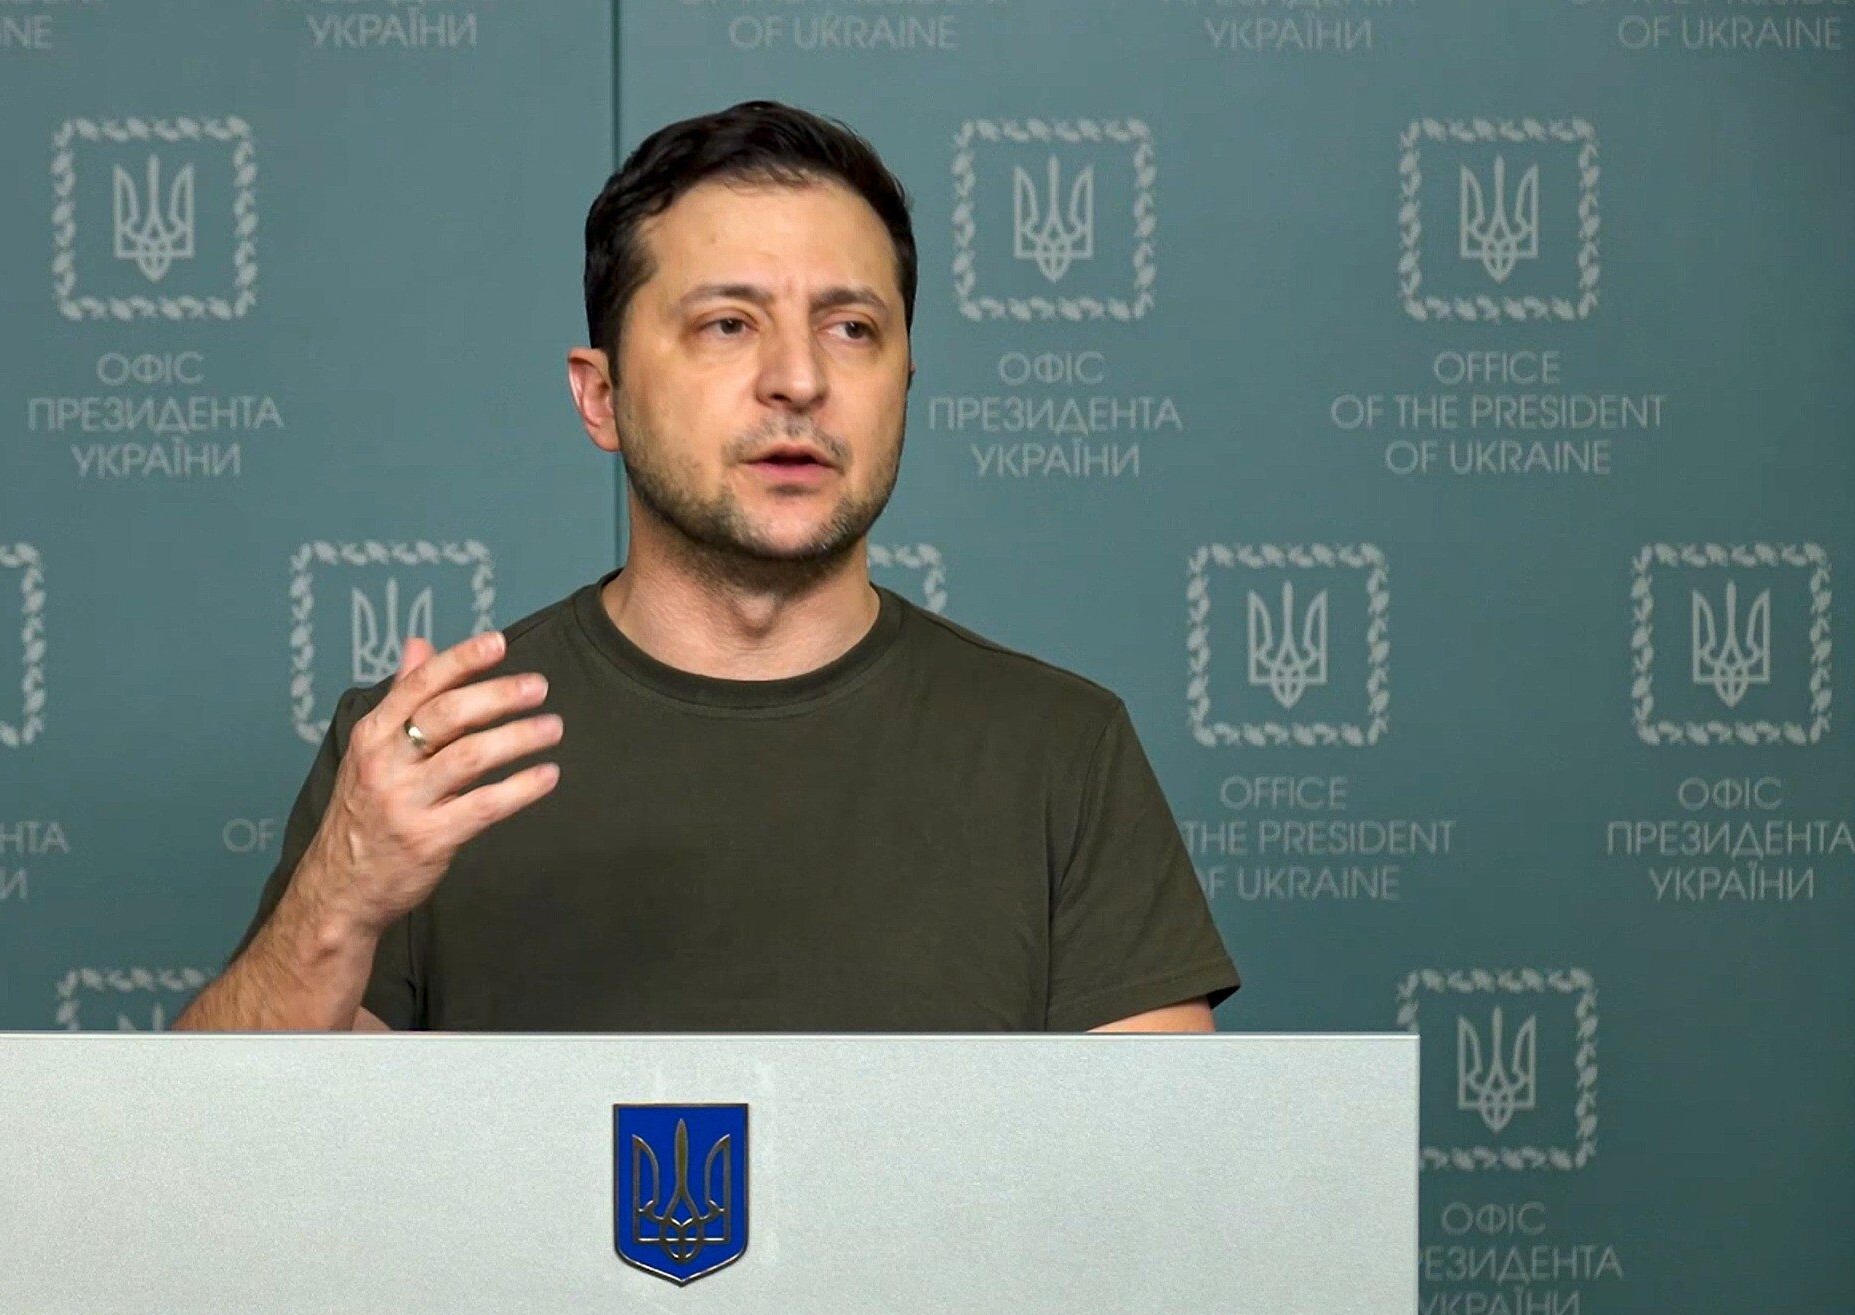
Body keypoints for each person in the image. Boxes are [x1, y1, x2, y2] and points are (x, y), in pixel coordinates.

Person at [173, 100, 1238, 1035]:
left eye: (851, 328)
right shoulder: (432, 755)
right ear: (601, 397)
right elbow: (222, 1155)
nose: (798, 380)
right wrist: (335, 902)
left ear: (904, 383)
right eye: (728, 324)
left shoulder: (1061, 752)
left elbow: (1161, 1176)